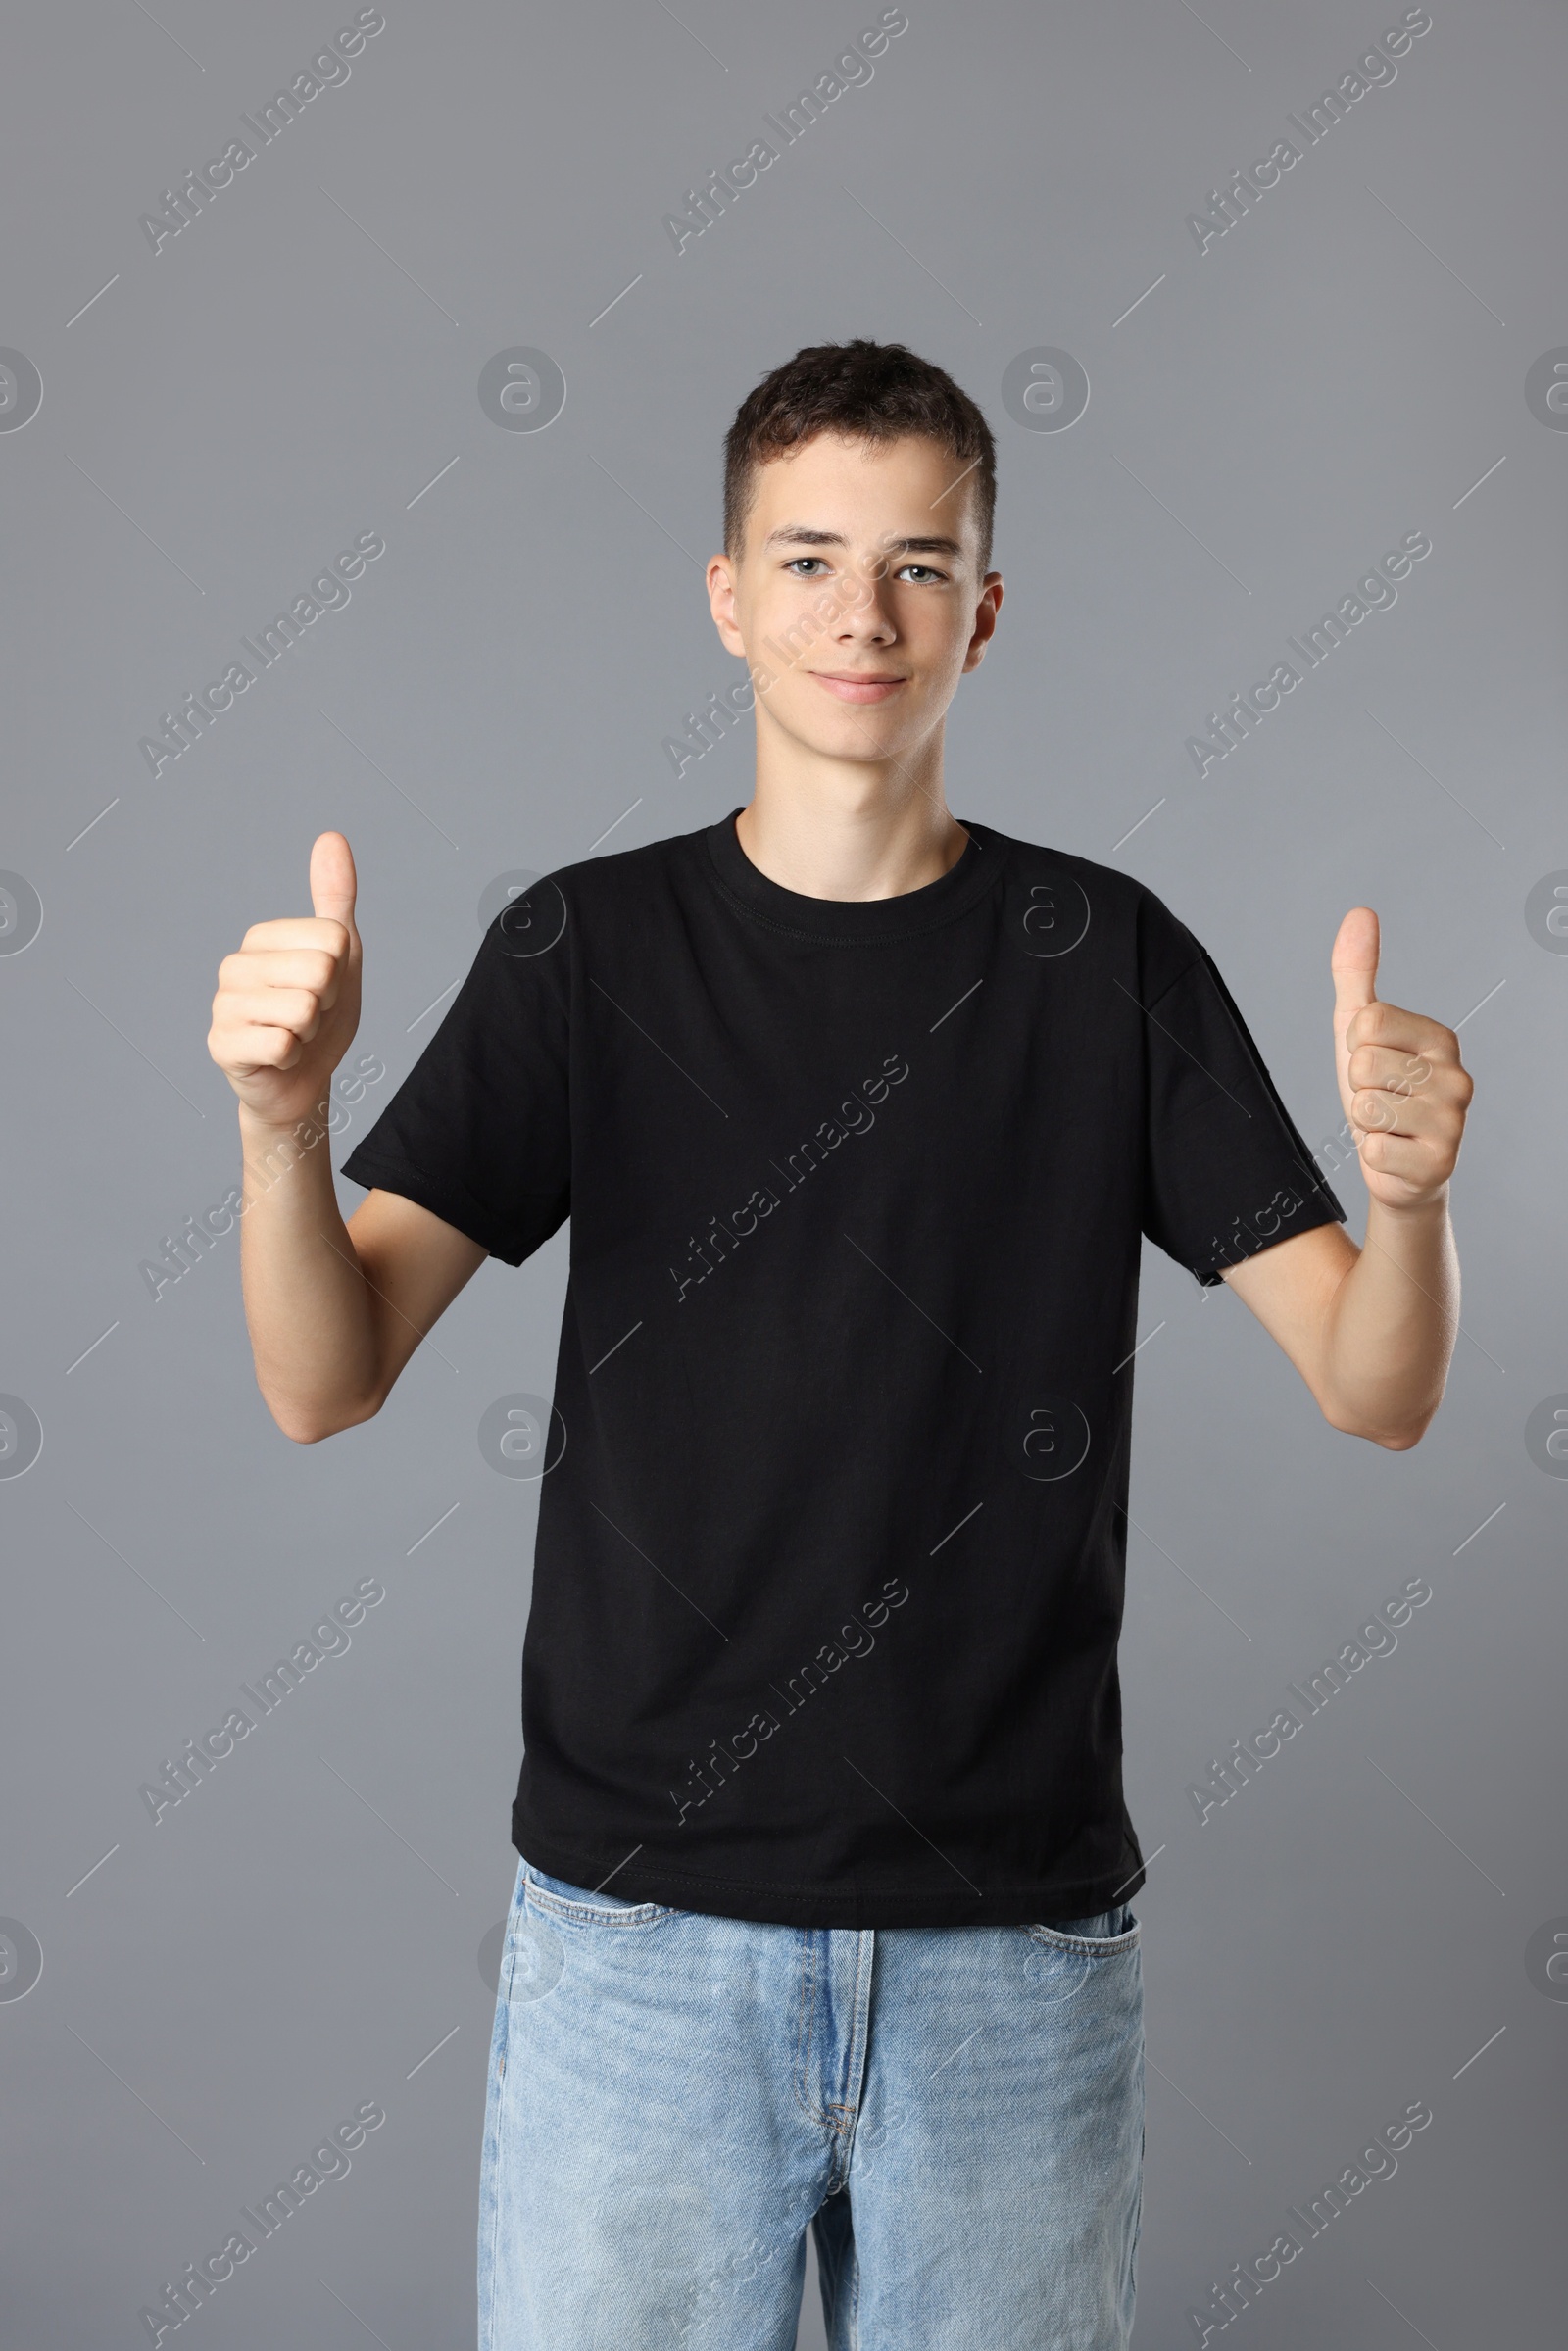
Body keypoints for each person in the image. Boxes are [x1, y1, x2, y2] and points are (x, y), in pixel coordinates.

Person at [206, 340, 1474, 2350]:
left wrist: (1406, 1207)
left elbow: (1377, 1384)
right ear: (726, 595)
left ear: (984, 605)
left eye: (912, 562)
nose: (857, 615)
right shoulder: (582, 953)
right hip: (636, 1947)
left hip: (1007, 1957)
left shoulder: (1105, 959)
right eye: (804, 559)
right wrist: (282, 1138)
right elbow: (321, 1370)